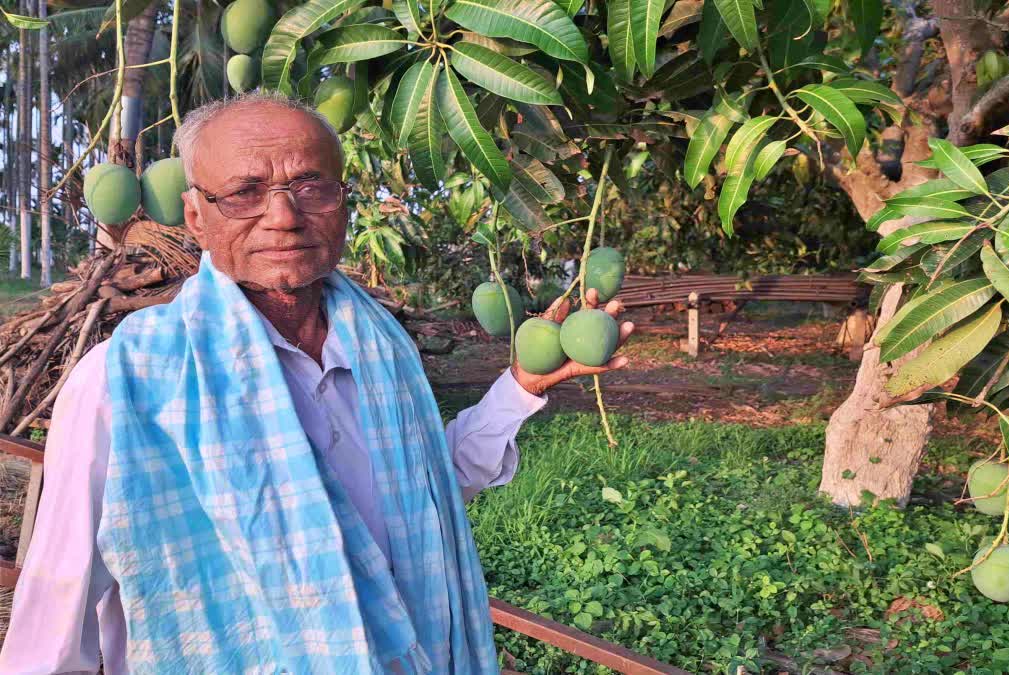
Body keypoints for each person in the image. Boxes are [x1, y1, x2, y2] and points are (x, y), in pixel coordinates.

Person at [0, 91, 633, 674]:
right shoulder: (125, 382)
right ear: (196, 216)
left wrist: (521, 387)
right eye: (245, 191)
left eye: (310, 185)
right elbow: (61, 601)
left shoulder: (383, 350)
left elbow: (426, 487)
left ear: (342, 203)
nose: (284, 216)